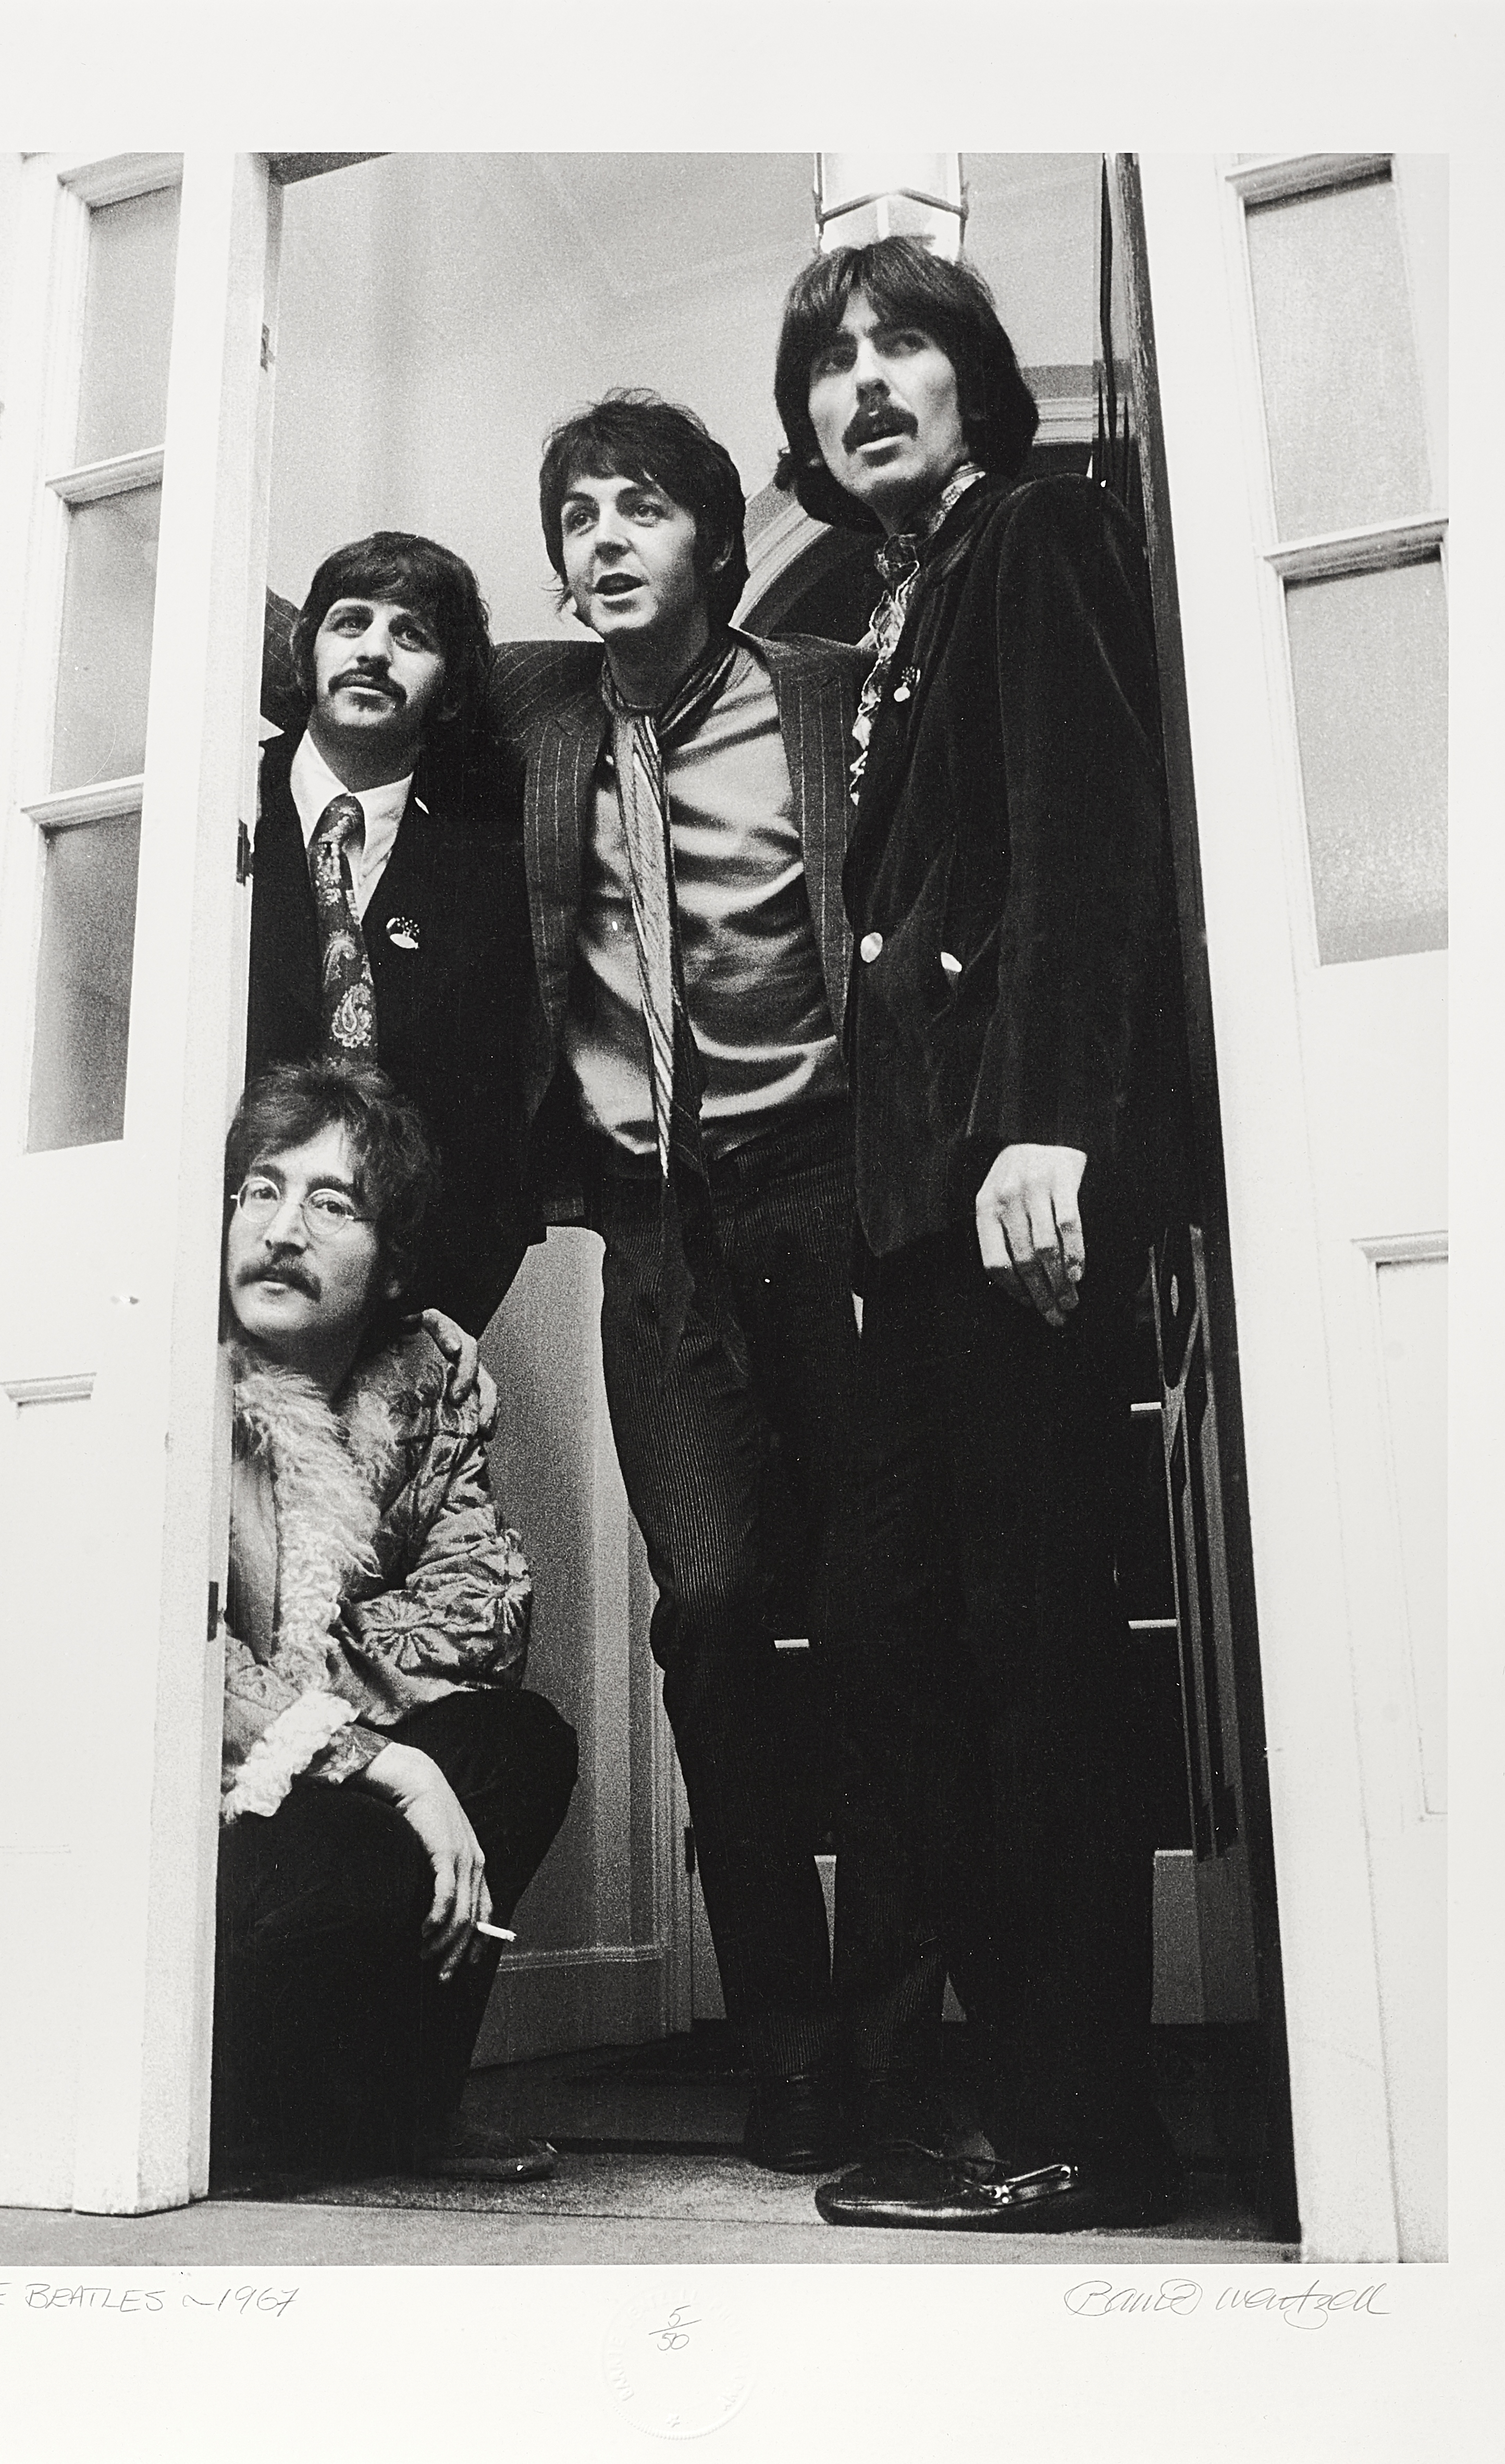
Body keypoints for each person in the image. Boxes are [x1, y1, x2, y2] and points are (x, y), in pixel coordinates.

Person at [773, 236, 1192, 2231]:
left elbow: (1086, 837)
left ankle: (1069, 2113)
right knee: (883, 1624)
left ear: (972, 380)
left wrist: (1055, 1123)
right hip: (919, 1215)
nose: (864, 383)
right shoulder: (904, 596)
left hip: (1015, 1184)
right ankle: (1014, 2076)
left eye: (901, 347)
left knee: (1032, 1645)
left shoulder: (1033, 536)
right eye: (831, 363)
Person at [489, 393, 871, 2171]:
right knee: (712, 1607)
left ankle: (899, 2021)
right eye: (579, 516)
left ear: (716, 540)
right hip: (657, 1235)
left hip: (837, 1197)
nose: (607, 539)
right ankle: (789, 2031)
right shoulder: (543, 720)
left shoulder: (817, 686)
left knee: (894, 1612)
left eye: (644, 508)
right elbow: (336, 631)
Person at [212, 1056, 577, 2187]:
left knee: (517, 1742)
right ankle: (259, 2120)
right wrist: (391, 1768)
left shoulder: (423, 1388)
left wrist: (336, 1718)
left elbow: (482, 1607)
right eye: (260, 1190)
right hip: (207, 1816)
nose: (282, 1228)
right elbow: (176, 1670)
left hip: (313, 1766)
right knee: (355, 1831)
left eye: (332, 1203)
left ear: (390, 1267)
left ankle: (408, 2109)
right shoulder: (173, 1393)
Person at [246, 531, 536, 1334]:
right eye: (351, 623)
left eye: (412, 635)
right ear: (305, 653)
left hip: (399, 1324)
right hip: (196, 1301)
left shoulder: (492, 873)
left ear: (448, 689)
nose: (375, 651)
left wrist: (427, 1328)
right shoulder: (215, 800)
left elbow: (495, 1148)